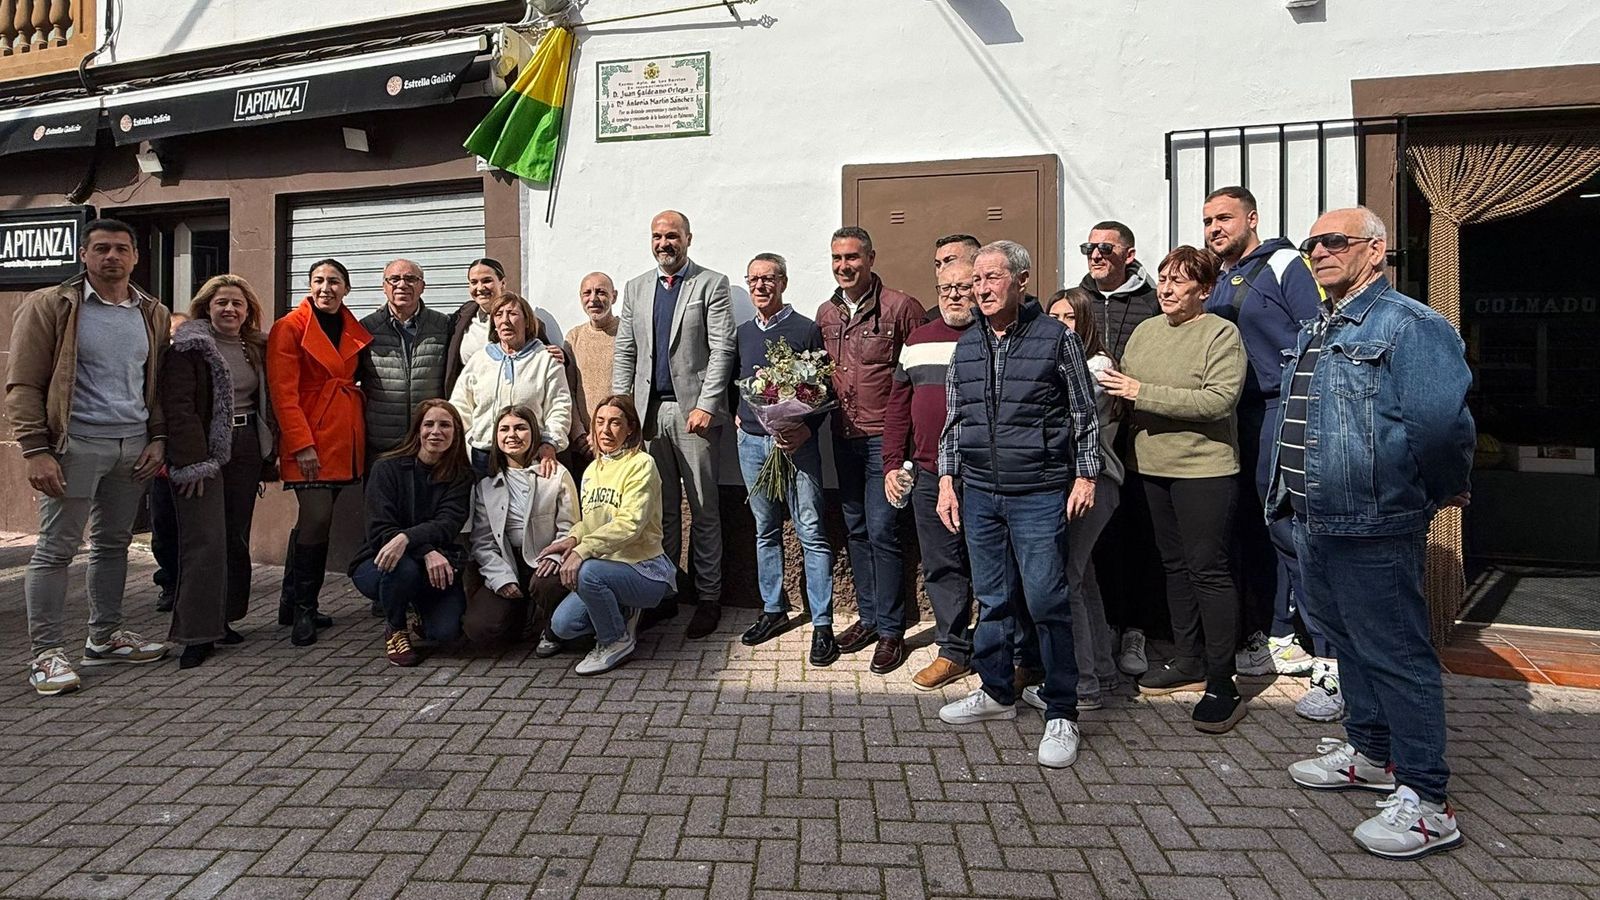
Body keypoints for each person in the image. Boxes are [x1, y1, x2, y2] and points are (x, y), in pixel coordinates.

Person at [1274, 207, 1474, 860]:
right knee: (1352, 645)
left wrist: (1438, 490)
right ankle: (1371, 753)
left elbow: (1442, 425)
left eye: (1336, 241)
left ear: (1378, 250)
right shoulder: (1320, 323)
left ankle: (1427, 799)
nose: (1320, 251)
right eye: (1313, 244)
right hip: (1314, 517)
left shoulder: (1412, 325)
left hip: (1373, 520)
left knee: (1397, 655)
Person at [934, 240, 1100, 770]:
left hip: (1040, 492)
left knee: (1047, 600)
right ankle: (998, 691)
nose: (979, 288)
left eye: (991, 277)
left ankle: (1062, 711)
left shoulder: (1055, 339)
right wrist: (946, 479)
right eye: (974, 279)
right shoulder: (967, 345)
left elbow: (1084, 411)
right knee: (994, 597)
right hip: (980, 492)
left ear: (1021, 280)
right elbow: (954, 422)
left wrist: (1086, 474)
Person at [7, 218, 171, 695]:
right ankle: (47, 655)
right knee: (55, 550)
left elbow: (155, 384)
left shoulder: (151, 312)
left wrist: (156, 439)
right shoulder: (51, 305)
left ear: (136, 257)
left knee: (112, 545)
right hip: (74, 445)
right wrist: (36, 450)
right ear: (84, 254)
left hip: (132, 447)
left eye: (121, 249)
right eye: (101, 248)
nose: (111, 257)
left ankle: (104, 637)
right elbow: (23, 383)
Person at [1201, 186, 1340, 721]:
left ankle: (1331, 663)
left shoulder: (1285, 263)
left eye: (1224, 218)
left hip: (1282, 412)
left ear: (1252, 218)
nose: (1214, 228)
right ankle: (1274, 635)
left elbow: (1318, 337)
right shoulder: (1216, 281)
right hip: (1236, 419)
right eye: (1208, 220)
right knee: (1252, 532)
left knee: (1290, 529)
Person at [1101, 245, 1248, 733]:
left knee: (1209, 570)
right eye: (1163, 278)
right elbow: (1125, 389)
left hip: (1203, 471)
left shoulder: (1220, 333)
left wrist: (1143, 393)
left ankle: (1223, 680)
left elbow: (1219, 400)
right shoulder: (1144, 331)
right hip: (1149, 467)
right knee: (1174, 566)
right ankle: (1188, 660)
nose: (1165, 288)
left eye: (1179, 281)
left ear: (1204, 290)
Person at [611, 210, 736, 638]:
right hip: (647, 417)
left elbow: (722, 349)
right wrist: (622, 411)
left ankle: (708, 598)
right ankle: (664, 594)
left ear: (688, 238)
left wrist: (706, 404)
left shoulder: (710, 284)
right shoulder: (636, 287)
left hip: (693, 416)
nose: (665, 243)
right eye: (658, 236)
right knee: (660, 511)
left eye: (672, 236)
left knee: (703, 509)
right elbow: (625, 351)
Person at [816, 225, 925, 675]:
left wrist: (907, 448)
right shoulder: (826, 313)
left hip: (885, 439)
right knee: (856, 529)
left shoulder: (901, 308)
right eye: (838, 258)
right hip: (844, 436)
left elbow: (921, 376)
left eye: (853, 258)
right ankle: (868, 617)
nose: (845, 266)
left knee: (883, 531)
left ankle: (891, 632)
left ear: (872, 258)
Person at [161, 275, 277, 668]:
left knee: (233, 537)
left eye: (238, 304)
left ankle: (223, 620)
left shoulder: (255, 347)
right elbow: (178, 406)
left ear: (248, 312)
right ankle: (196, 633)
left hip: (246, 448)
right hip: (204, 453)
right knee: (204, 540)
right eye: (222, 303)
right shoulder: (189, 347)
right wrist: (193, 461)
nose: (230, 309)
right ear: (206, 307)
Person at [731, 253, 836, 664]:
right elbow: (728, 381)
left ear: (784, 283)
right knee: (764, 528)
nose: (760, 286)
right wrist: (739, 419)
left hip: (798, 446)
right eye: (753, 279)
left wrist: (806, 429)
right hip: (753, 446)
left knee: (811, 530)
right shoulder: (740, 333)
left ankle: (822, 622)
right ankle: (774, 609)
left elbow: (822, 390)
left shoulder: (805, 329)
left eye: (768, 279)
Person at [884, 256, 978, 691]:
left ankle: (1009, 654)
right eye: (945, 289)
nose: (954, 296)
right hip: (926, 474)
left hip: (981, 476)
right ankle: (953, 650)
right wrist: (889, 464)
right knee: (941, 566)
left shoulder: (993, 336)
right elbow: (898, 407)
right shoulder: (918, 339)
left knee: (994, 567)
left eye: (963, 287)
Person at [267, 257, 374, 646]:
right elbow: (283, 393)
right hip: (310, 437)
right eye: (318, 280)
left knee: (313, 522)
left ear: (346, 288)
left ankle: (289, 600)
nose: (325, 288)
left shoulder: (352, 327)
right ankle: (304, 611)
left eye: (333, 281)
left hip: (344, 435)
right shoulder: (289, 327)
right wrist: (301, 445)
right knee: (316, 519)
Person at [1076, 219, 1164, 679]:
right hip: (1094, 440)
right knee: (1099, 542)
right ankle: (1106, 627)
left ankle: (1137, 630)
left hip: (1141, 434)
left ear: (1128, 254)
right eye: (1089, 247)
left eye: (1105, 248)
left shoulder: (1152, 302)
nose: (1095, 255)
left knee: (1139, 534)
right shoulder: (1077, 300)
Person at [537, 395, 674, 675]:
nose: (605, 430)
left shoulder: (642, 464)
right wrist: (571, 540)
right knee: (564, 627)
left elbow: (629, 524)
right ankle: (624, 611)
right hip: (606, 568)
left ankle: (615, 641)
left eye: (615, 423)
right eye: (599, 422)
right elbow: (591, 522)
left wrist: (582, 551)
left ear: (630, 429)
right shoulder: (592, 471)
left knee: (587, 571)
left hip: (642, 569)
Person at [1046, 288, 1128, 709]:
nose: (1061, 324)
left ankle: (1082, 686)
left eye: (1070, 317)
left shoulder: (1095, 367)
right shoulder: (1067, 362)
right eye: (1053, 316)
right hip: (1077, 482)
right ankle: (1103, 672)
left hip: (1094, 481)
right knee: (1084, 576)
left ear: (1086, 323)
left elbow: (1064, 415)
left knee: (1067, 578)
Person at [349, 399, 474, 666]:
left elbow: (448, 523)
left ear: (456, 433)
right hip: (378, 561)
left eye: (445, 425)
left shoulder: (461, 476)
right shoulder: (386, 469)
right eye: (428, 424)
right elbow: (380, 530)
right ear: (417, 430)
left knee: (446, 632)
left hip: (434, 564)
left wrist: (408, 539)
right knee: (402, 568)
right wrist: (425, 549)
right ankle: (395, 629)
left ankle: (418, 609)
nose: (436, 431)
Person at [467, 405, 578, 646]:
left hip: (544, 562)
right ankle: (521, 613)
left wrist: (556, 556)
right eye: (504, 429)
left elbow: (569, 525)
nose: (512, 435)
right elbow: (482, 542)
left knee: (545, 584)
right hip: (509, 563)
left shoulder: (556, 475)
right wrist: (501, 578)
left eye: (520, 428)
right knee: (480, 629)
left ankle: (551, 624)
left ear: (534, 434)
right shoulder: (486, 485)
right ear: (496, 438)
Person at [450, 293, 572, 477]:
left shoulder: (546, 359)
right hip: (484, 455)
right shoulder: (480, 360)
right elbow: (460, 405)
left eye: (512, 314)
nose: (505, 320)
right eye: (498, 314)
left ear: (528, 322)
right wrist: (458, 442)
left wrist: (550, 442)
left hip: (529, 455)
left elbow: (560, 405)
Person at [358, 259, 453, 457]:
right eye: (394, 279)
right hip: (382, 443)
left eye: (411, 279)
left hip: (429, 441)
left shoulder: (443, 326)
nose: (402, 285)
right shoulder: (366, 328)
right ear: (384, 287)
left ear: (422, 286)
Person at [446, 258, 560, 394]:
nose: (480, 288)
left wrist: (560, 354)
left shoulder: (523, 320)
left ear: (503, 283)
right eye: (474, 282)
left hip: (513, 402)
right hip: (472, 401)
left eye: (487, 281)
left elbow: (545, 354)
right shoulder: (460, 319)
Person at [150, 310, 190, 614]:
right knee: (164, 529)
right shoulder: (153, 366)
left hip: (192, 460)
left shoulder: (198, 363)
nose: (177, 339)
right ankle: (169, 583)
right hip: (161, 465)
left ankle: (188, 585)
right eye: (172, 334)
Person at [562, 271, 619, 472]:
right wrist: (579, 435)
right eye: (587, 293)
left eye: (601, 292)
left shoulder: (626, 333)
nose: (593, 299)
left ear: (614, 296)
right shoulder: (574, 337)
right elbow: (568, 390)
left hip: (620, 441)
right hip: (584, 445)